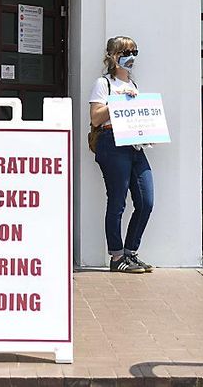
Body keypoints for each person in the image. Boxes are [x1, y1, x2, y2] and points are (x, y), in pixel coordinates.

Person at [88, 36, 156, 273]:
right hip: (111, 143)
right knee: (117, 202)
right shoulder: (103, 83)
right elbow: (95, 118)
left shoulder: (133, 85)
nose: (132, 57)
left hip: (134, 145)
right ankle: (117, 257)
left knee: (146, 201)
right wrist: (118, 101)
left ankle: (130, 252)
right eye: (127, 52)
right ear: (113, 56)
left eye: (135, 52)